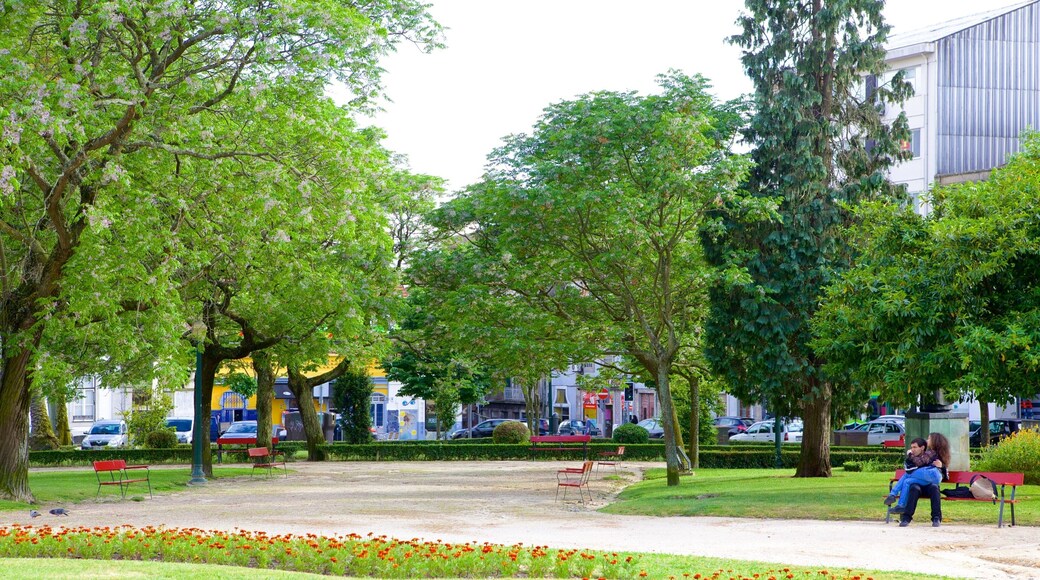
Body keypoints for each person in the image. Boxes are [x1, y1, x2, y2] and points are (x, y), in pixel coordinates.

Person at [887, 432, 950, 526]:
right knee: (909, 482)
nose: (927, 440)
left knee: (908, 475)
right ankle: (904, 514)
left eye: (929, 439)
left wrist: (910, 455)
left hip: (931, 480)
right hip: (924, 481)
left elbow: (919, 463)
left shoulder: (931, 453)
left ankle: (895, 498)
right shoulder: (934, 453)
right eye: (911, 447)